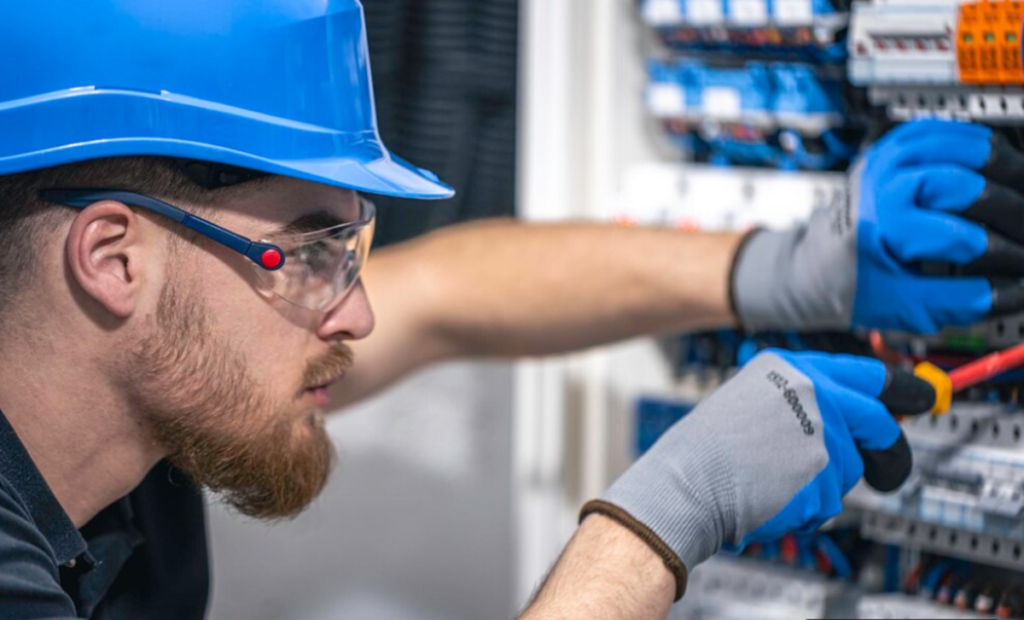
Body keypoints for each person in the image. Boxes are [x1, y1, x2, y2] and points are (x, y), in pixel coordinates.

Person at [1, 2, 1024, 619]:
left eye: (352, 249)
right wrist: (654, 525)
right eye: (311, 252)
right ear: (113, 260)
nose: (357, 311)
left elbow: (451, 292)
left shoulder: (144, 386)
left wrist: (783, 268)